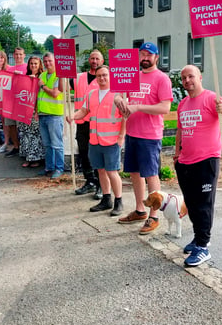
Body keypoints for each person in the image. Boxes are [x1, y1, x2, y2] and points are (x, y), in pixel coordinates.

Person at [174, 65, 222, 267]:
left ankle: (203, 246)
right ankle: (198, 236)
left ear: (199, 77)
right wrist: (176, 154)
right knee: (191, 204)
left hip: (206, 161)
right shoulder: (183, 104)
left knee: (203, 205)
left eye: (191, 76)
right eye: (183, 78)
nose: (187, 80)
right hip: (185, 162)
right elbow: (180, 131)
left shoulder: (212, 98)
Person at [115, 42, 173, 234]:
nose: (145, 58)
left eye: (150, 55)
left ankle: (154, 215)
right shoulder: (132, 75)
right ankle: (140, 210)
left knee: (150, 174)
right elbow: (119, 95)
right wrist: (118, 100)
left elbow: (165, 108)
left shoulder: (162, 79)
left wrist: (138, 107)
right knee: (134, 173)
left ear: (156, 57)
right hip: (132, 132)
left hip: (150, 135)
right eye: (142, 54)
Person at [68, 65, 125, 216]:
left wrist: (121, 136)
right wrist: (73, 116)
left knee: (112, 171)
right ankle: (106, 199)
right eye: (99, 76)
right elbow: (84, 111)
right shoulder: (92, 94)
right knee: (100, 170)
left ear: (110, 76)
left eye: (105, 75)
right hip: (95, 140)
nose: (102, 78)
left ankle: (119, 201)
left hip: (111, 140)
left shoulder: (118, 95)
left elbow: (125, 116)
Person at [72, 49, 103, 198]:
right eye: (92, 58)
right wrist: (62, 72)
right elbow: (61, 88)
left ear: (102, 61)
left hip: (98, 123)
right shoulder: (79, 77)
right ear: (88, 60)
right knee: (84, 153)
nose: (94, 61)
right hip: (81, 121)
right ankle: (89, 181)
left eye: (97, 59)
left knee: (96, 155)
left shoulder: (104, 78)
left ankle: (101, 185)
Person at [37, 52, 65, 179]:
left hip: (54, 115)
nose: (47, 63)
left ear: (55, 61)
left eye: (50, 61)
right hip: (43, 114)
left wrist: (42, 85)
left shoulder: (59, 75)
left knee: (57, 144)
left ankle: (59, 168)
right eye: (46, 61)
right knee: (47, 144)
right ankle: (49, 167)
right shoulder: (43, 74)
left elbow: (55, 93)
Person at [18, 56, 45, 168]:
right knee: (25, 134)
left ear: (39, 65)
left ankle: (36, 159)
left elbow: (41, 95)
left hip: (35, 110)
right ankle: (27, 158)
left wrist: (37, 111)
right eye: (31, 64)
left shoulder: (41, 78)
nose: (33, 66)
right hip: (25, 110)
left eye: (35, 63)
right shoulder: (25, 77)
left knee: (35, 135)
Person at [4, 47, 27, 158]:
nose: (18, 56)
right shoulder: (9, 69)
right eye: (16, 54)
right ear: (13, 55)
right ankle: (16, 146)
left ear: (24, 55)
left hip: (23, 102)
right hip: (11, 101)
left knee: (22, 126)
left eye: (20, 54)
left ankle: (24, 147)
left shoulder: (28, 67)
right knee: (11, 124)